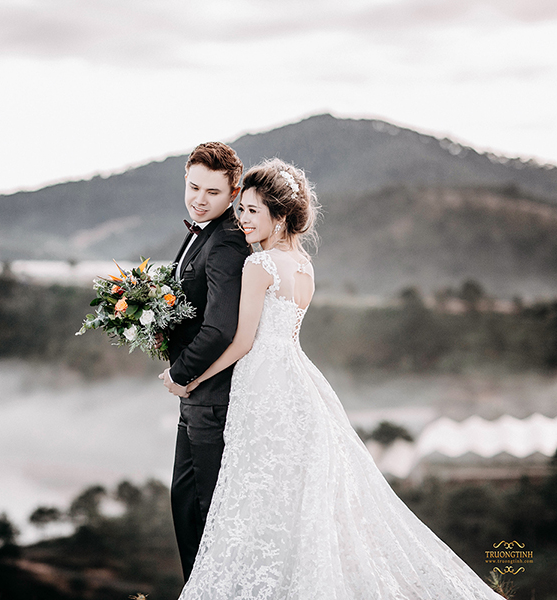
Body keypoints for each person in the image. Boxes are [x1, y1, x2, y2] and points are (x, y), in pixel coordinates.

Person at [165, 158, 504, 599]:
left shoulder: (259, 265)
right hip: (296, 379)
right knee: (289, 494)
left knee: (251, 489)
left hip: (262, 382)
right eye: (241, 209)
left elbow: (242, 341)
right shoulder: (303, 264)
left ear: (279, 215)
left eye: (251, 210)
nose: (241, 219)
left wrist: (192, 378)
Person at [158, 142, 250, 581]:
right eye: (194, 187)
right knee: (186, 504)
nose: (199, 199)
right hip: (197, 395)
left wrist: (179, 372)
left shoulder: (226, 240)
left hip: (210, 398)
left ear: (233, 193)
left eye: (212, 192)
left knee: (203, 513)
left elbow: (220, 328)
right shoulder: (203, 230)